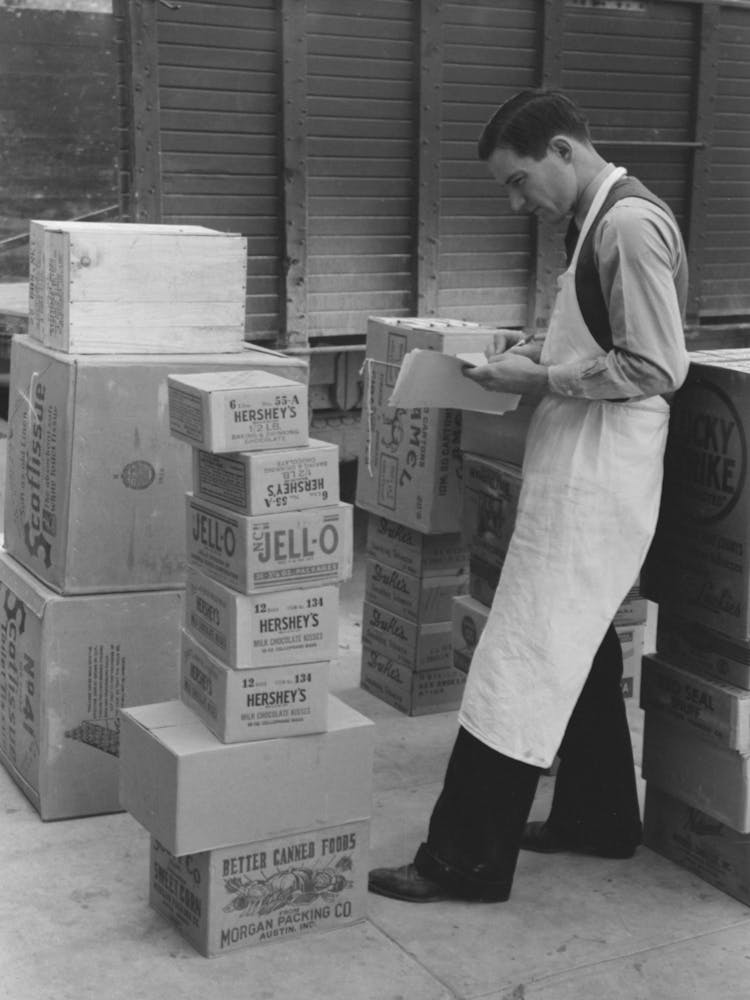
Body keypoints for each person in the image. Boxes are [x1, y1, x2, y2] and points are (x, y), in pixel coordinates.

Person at [368, 88, 689, 904]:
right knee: (572, 649)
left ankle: (464, 861)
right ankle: (601, 818)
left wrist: (539, 376)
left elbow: (656, 366)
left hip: (603, 467)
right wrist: (535, 351)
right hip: (585, 455)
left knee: (520, 657)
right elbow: (605, 338)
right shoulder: (595, 221)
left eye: (518, 182)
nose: (518, 202)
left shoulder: (625, 225)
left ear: (562, 151)